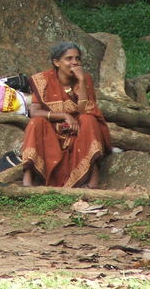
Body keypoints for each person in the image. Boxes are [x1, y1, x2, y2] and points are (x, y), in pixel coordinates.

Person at [21, 42, 112, 188]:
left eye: (77, 58)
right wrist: (63, 116)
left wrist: (81, 81)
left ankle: (93, 180)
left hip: (79, 129)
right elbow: (34, 111)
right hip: (53, 129)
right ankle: (27, 178)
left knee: (89, 120)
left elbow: (86, 109)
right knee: (36, 122)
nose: (75, 62)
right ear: (56, 62)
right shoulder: (42, 80)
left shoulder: (85, 79)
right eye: (69, 59)